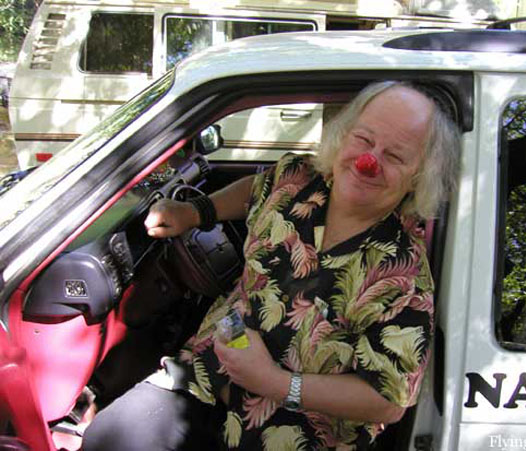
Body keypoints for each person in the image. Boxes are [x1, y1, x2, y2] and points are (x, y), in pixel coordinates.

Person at [83, 81, 460, 450]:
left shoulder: (405, 277)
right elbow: (256, 190)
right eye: (363, 140)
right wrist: (196, 211)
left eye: (394, 156)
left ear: (418, 176)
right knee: (109, 438)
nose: (368, 162)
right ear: (344, 135)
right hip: (208, 375)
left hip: (295, 428)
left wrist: (277, 383)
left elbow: (389, 400)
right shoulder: (297, 178)